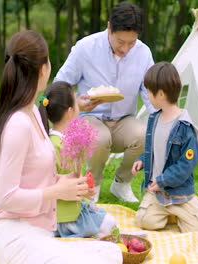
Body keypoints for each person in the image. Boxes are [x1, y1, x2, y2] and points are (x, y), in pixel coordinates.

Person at [0, 30, 121, 264]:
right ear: (43, 69)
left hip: (40, 233)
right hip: (18, 238)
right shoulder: (18, 122)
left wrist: (70, 184)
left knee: (112, 253)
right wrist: (58, 191)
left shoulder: (33, 115)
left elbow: (35, 179)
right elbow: (7, 198)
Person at [54, 1, 155, 203]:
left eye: (131, 43)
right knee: (99, 138)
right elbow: (59, 85)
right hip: (89, 118)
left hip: (123, 120)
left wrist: (166, 121)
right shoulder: (85, 48)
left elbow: (150, 93)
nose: (125, 48)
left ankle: (121, 183)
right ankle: (94, 185)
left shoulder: (143, 53)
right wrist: (76, 103)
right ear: (109, 27)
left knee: (145, 133)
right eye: (120, 41)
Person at [132, 62, 198, 233]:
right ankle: (167, 212)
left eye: (149, 92)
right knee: (144, 221)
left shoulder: (185, 127)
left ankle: (179, 211)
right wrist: (141, 160)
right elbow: (153, 151)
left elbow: (185, 165)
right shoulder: (154, 119)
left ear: (160, 94)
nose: (147, 95)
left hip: (180, 194)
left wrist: (162, 180)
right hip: (158, 194)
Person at [38, 81, 117, 238]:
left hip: (72, 209)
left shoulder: (63, 140)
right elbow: (50, 182)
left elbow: (69, 178)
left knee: (106, 220)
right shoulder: (56, 146)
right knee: (109, 224)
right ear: (69, 112)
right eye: (76, 101)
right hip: (64, 219)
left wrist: (83, 189)